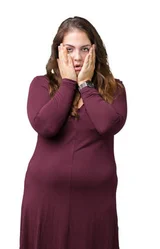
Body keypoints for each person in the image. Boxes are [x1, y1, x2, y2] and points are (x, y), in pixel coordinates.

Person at [20, 16, 127, 249]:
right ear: (58, 53)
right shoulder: (40, 85)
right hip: (45, 198)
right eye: (69, 50)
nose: (77, 57)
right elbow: (46, 126)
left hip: (95, 202)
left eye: (84, 49)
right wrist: (68, 82)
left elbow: (108, 125)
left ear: (95, 51)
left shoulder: (114, 88)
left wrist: (86, 86)